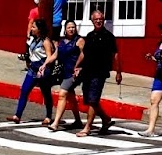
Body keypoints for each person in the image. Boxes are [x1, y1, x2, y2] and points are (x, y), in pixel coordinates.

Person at [74, 8, 121, 137]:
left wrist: (118, 72)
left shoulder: (109, 37)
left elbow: (115, 54)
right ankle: (106, 119)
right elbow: (84, 53)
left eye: (100, 19)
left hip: (100, 72)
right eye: (96, 19)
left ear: (104, 20)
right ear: (92, 21)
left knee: (93, 99)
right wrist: (76, 66)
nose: (98, 21)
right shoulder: (90, 36)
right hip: (87, 71)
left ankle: (87, 127)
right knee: (89, 100)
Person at [9, 19, 56, 125]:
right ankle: (17, 115)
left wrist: (44, 68)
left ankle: (48, 116)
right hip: (32, 70)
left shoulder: (46, 41)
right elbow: (31, 54)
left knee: (46, 93)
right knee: (24, 90)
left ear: (40, 30)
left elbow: (50, 57)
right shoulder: (33, 40)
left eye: (34, 27)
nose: (31, 28)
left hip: (42, 71)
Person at [47, 20, 83, 130]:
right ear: (65, 29)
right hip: (64, 72)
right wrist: (44, 65)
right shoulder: (62, 42)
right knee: (71, 97)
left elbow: (84, 54)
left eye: (73, 27)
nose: (71, 29)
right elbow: (55, 55)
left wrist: (79, 66)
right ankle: (78, 121)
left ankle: (55, 123)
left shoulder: (79, 40)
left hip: (74, 73)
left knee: (62, 94)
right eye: (69, 27)